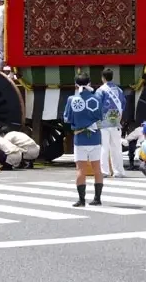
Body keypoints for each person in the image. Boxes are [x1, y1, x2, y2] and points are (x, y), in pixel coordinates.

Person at [63, 72, 104, 207]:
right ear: (89, 83)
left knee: (80, 170)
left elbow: (67, 118)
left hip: (80, 138)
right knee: (97, 168)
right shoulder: (96, 98)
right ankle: (97, 198)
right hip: (95, 137)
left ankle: (81, 200)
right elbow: (101, 117)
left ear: (76, 84)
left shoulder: (72, 99)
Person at [96, 69, 126, 178]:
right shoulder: (119, 90)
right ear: (112, 77)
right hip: (116, 122)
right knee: (117, 148)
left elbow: (97, 106)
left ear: (102, 78)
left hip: (103, 122)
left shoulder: (100, 90)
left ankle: (104, 171)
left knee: (104, 147)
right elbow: (123, 105)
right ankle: (118, 171)